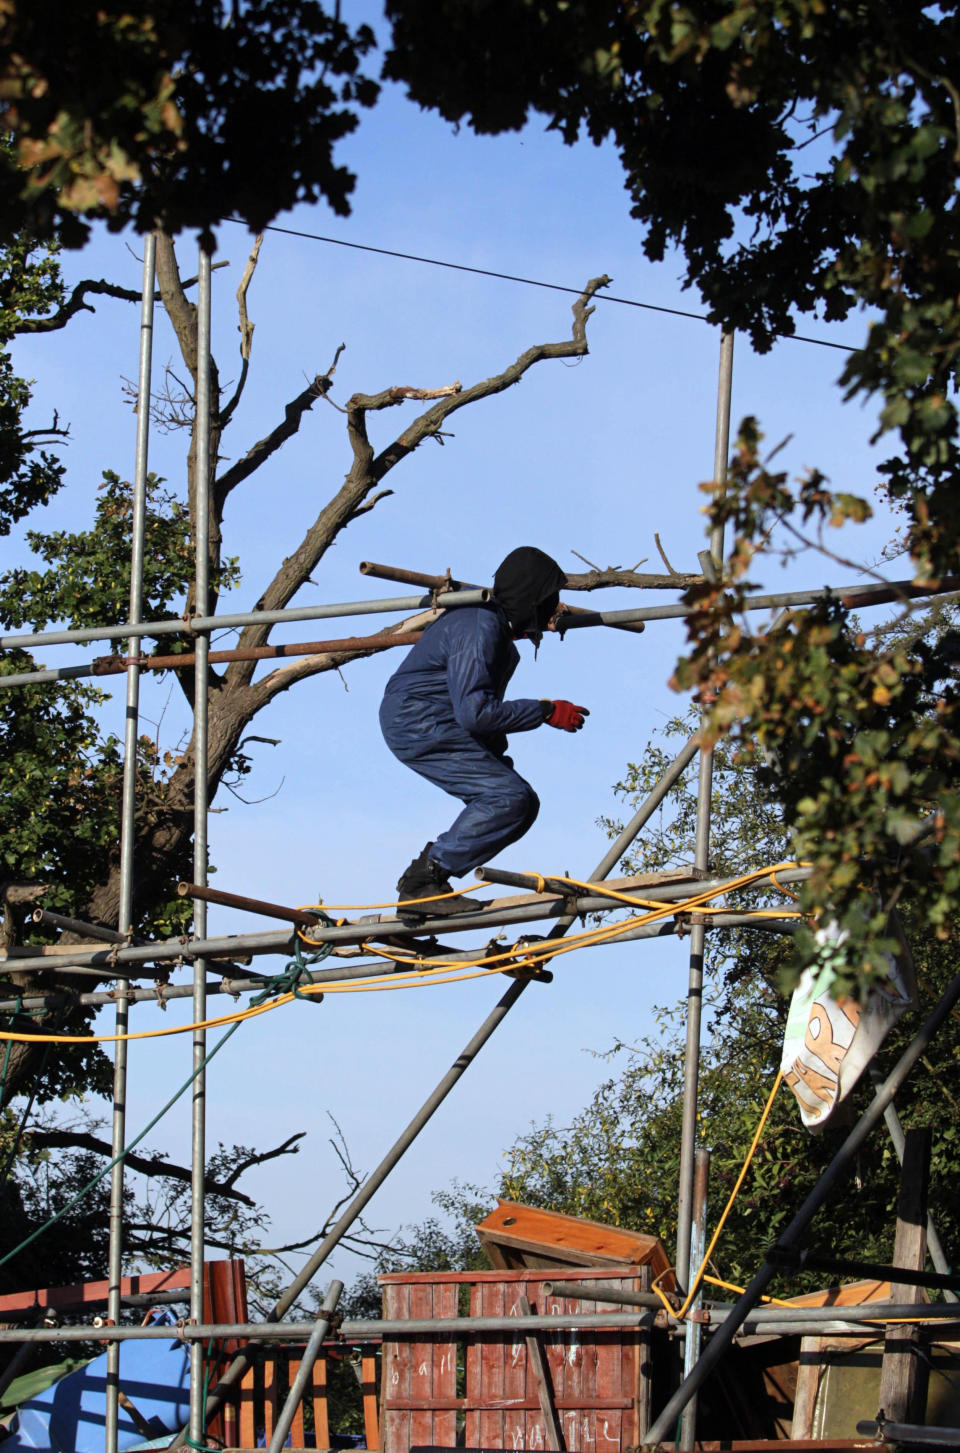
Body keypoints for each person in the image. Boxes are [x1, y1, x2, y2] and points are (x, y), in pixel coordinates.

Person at [379, 546, 589, 918]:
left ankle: (421, 897)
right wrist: (543, 710)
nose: (553, 608)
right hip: (419, 720)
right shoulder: (480, 626)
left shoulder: (494, 633)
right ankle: (424, 880)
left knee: (520, 802)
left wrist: (495, 755)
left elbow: (477, 710)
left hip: (429, 719)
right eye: (549, 598)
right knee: (509, 798)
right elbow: (476, 713)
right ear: (531, 596)